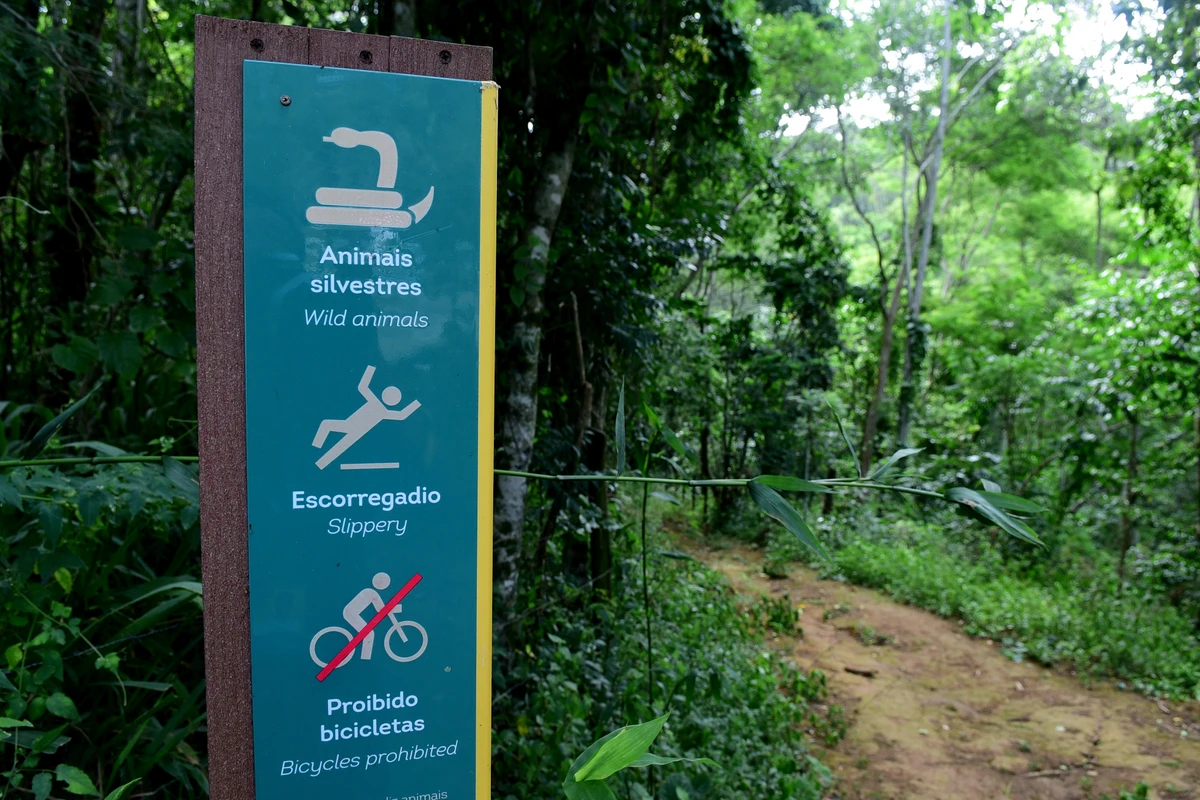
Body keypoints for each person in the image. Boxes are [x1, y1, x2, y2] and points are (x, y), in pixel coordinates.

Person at [313, 365, 420, 469]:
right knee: (329, 429)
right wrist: (416, 403)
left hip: (357, 430)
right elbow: (401, 415)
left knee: (332, 434)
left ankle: (317, 457)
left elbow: (363, 387)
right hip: (350, 425)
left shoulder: (379, 407)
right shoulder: (382, 410)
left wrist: (370, 369)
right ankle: (315, 453)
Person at [341, 572, 393, 660]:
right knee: (369, 634)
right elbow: (380, 609)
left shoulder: (369, 591)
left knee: (367, 633)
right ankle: (364, 658)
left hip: (349, 613)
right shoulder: (372, 593)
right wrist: (395, 608)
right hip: (351, 614)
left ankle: (363, 658)